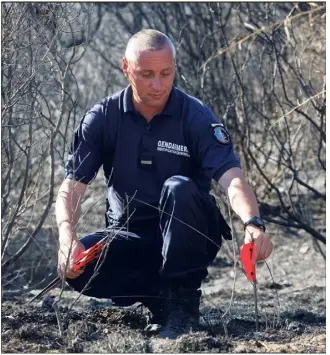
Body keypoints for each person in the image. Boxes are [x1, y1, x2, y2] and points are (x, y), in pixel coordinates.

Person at [56, 29, 273, 339]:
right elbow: (71, 187)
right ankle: (160, 298)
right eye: (146, 75)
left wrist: (253, 224)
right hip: (129, 235)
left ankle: (183, 301)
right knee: (79, 267)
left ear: (174, 68)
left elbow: (232, 178)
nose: (157, 85)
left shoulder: (196, 117)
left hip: (190, 233)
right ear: (126, 68)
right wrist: (67, 240)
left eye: (165, 73)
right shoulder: (103, 117)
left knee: (178, 187)